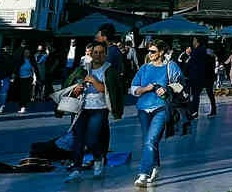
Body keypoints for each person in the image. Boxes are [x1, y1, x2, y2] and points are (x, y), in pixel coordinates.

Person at [63, 41, 124, 181]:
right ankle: (76, 169)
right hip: (81, 108)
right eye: (95, 52)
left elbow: (111, 90)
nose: (98, 55)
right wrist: (76, 89)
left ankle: (98, 159)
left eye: (101, 52)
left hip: (99, 109)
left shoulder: (109, 70)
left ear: (105, 54)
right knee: (77, 139)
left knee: (92, 138)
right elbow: (70, 84)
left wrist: (95, 82)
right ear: (91, 53)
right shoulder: (83, 69)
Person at [130, 40, 182, 187]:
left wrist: (167, 90)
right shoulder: (144, 68)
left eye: (153, 51)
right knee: (149, 141)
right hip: (143, 110)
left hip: (161, 108)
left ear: (161, 52)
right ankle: (155, 166)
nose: (150, 54)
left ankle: (143, 173)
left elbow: (181, 84)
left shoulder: (171, 67)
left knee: (151, 140)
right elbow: (133, 89)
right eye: (149, 51)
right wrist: (146, 89)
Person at [184, 37, 216, 118]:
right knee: (209, 93)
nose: (193, 41)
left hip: (198, 76)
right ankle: (213, 110)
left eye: (194, 40)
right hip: (209, 76)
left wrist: (185, 72)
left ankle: (194, 112)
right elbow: (212, 62)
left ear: (197, 42)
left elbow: (191, 64)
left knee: (195, 95)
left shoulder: (196, 51)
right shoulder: (208, 51)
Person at [0, 45, 16, 114]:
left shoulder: (10, 58)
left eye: (7, 49)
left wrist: (12, 76)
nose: (6, 51)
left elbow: (12, 68)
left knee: (3, 93)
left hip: (4, 77)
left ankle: (1, 107)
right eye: (5, 49)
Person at [14, 48, 36, 114]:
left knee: (25, 93)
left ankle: (23, 107)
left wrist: (34, 79)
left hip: (28, 79)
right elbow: (16, 69)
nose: (26, 54)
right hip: (20, 79)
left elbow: (34, 70)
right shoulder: (20, 60)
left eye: (28, 52)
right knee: (20, 93)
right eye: (25, 52)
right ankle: (21, 105)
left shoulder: (31, 61)